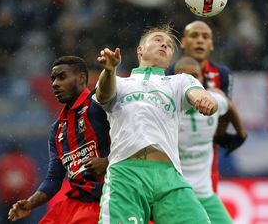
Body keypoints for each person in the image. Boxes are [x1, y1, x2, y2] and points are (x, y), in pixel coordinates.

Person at [94, 24, 220, 224]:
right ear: (140, 50)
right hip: (126, 174)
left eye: (169, 45)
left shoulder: (179, 82)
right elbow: (103, 95)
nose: (164, 45)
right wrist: (109, 70)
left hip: (169, 176)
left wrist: (206, 101)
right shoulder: (119, 82)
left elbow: (202, 96)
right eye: (158, 40)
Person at [8, 56, 111, 224]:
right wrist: (30, 203)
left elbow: (134, 142)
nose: (55, 84)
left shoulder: (100, 107)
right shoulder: (57, 129)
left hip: (109, 199)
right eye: (53, 79)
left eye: (62, 77)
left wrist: (108, 161)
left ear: (81, 78)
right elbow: (54, 178)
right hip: (76, 204)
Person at [180, 20, 247, 185]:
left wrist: (222, 134)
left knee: (208, 196)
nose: (200, 40)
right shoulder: (170, 72)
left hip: (205, 153)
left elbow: (225, 113)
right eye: (194, 36)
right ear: (183, 42)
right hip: (175, 152)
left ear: (211, 45)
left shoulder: (222, 74)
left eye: (205, 37)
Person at [174, 56, 233, 224]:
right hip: (176, 194)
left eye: (195, 76)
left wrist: (239, 132)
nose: (190, 81)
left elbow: (229, 106)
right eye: (184, 77)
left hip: (205, 194)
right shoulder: (167, 106)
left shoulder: (215, 99)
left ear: (201, 78)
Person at [0, 143, 38, 224]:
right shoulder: (25, 162)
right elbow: (31, 181)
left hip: (7, 200)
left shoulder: (3, 162)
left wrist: (4, 196)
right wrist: (26, 196)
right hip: (22, 200)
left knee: (7, 219)